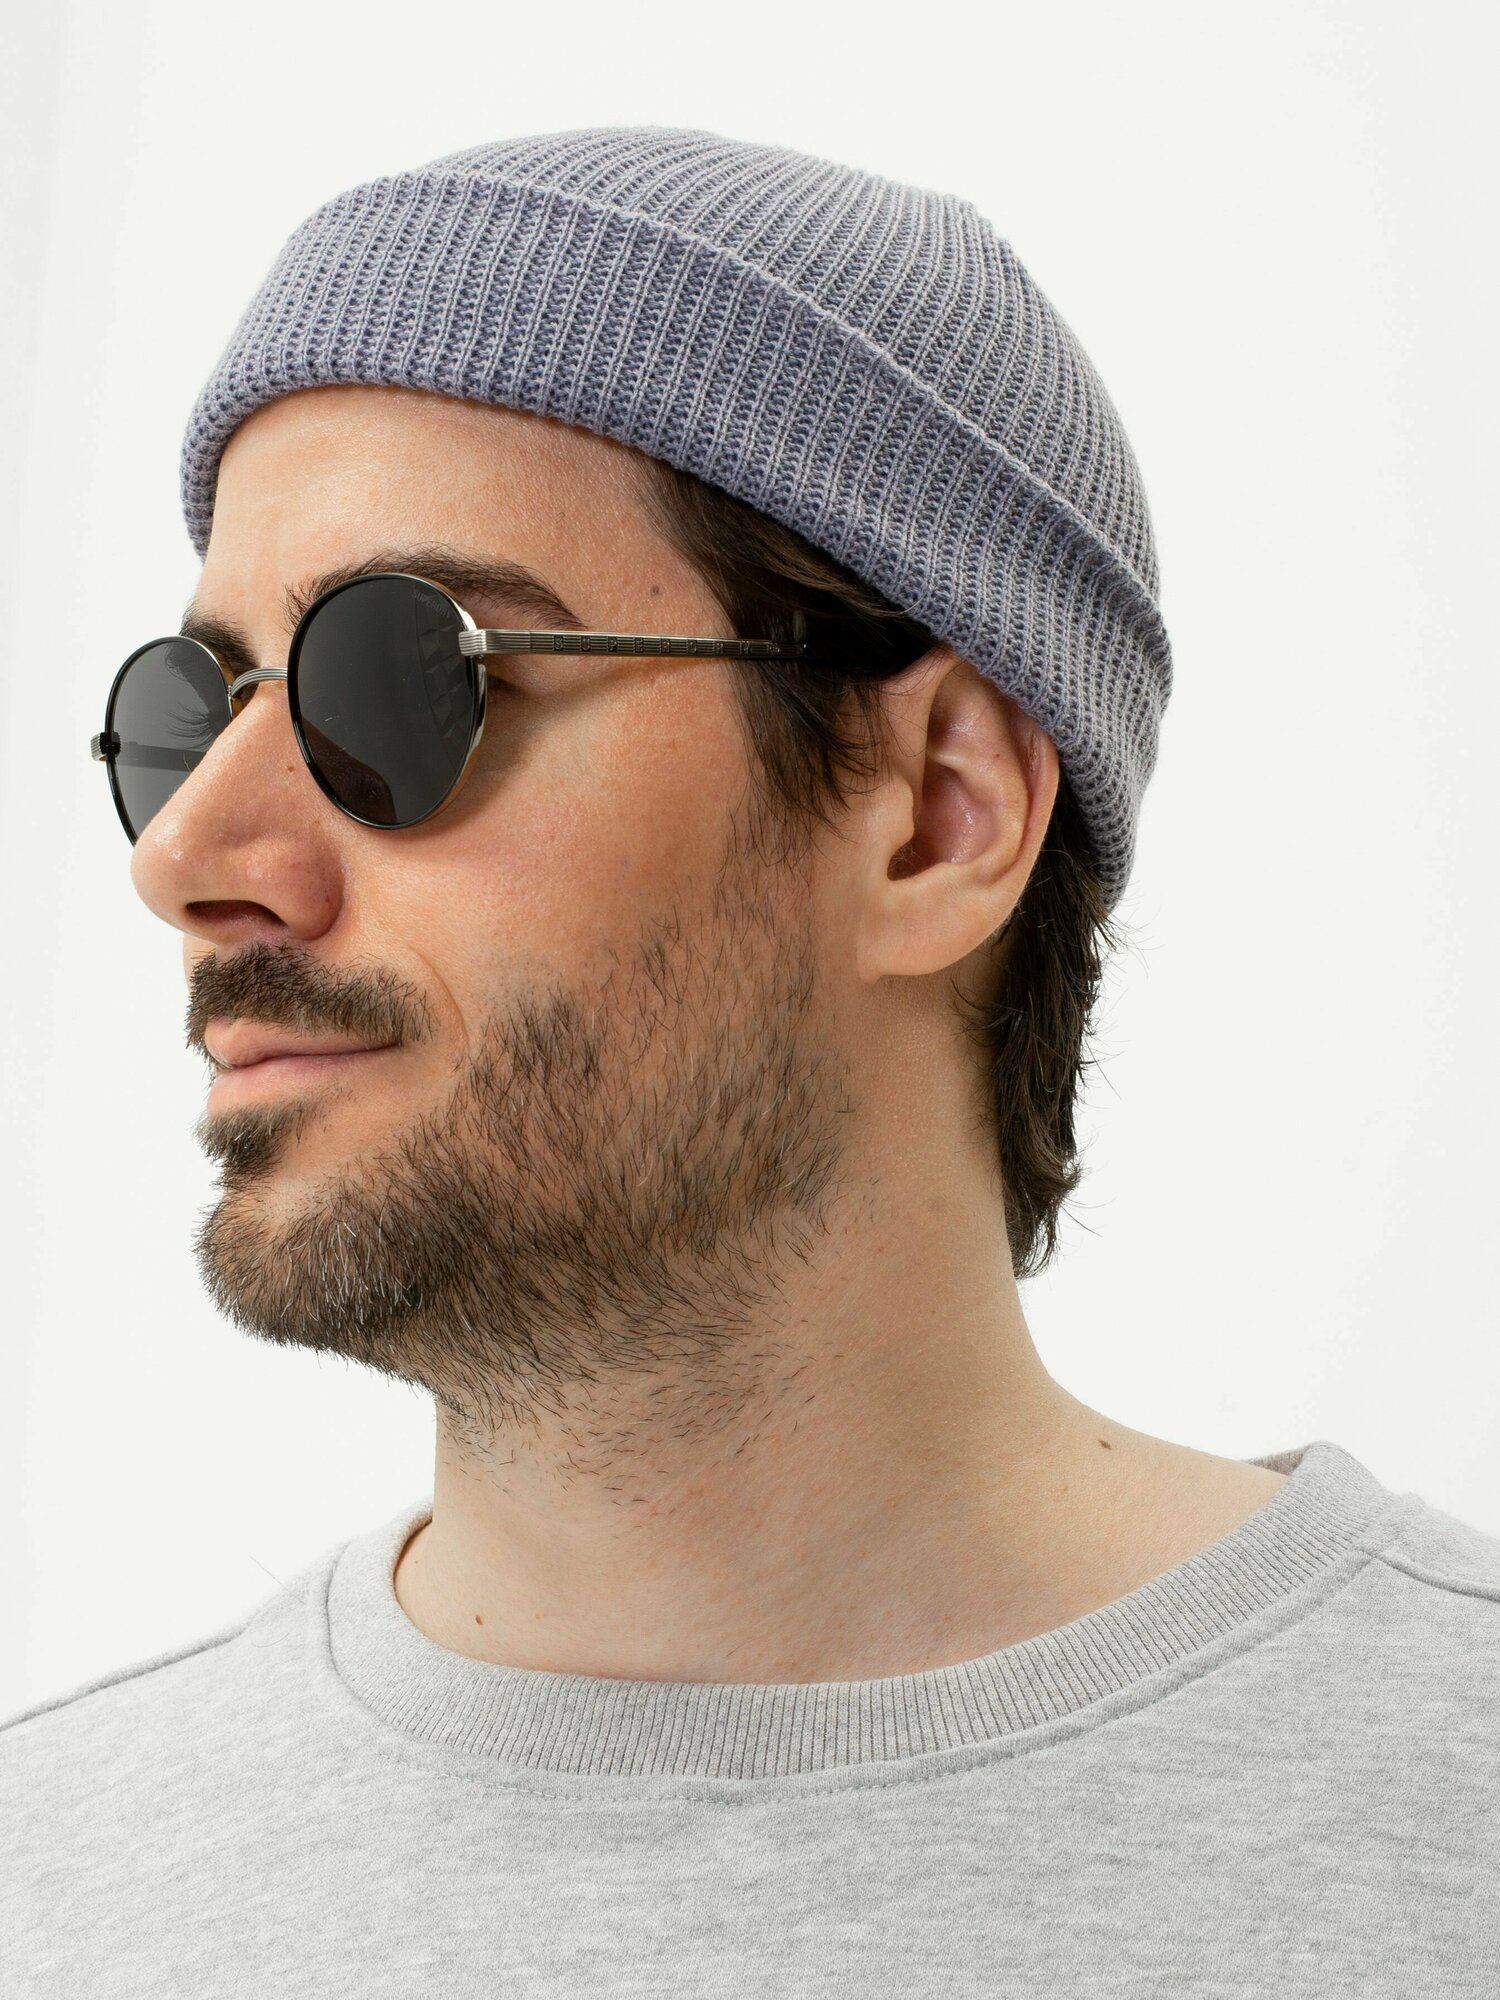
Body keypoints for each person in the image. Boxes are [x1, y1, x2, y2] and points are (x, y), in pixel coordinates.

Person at [4, 126, 1496, 1995]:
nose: (187, 858)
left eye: (395, 681)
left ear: (935, 814)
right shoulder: (51, 1891)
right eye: (188, 711)